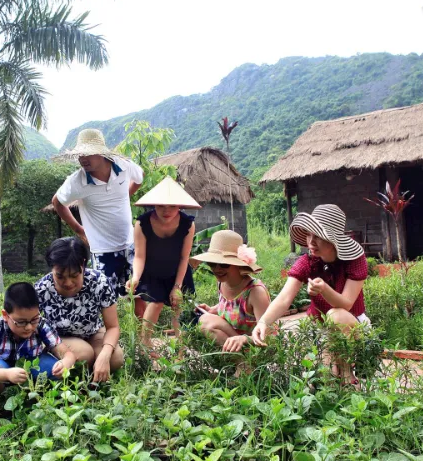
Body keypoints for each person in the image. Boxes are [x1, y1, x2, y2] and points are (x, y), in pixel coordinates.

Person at [252, 204, 369, 383]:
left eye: (318, 237)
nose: (311, 242)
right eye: (309, 234)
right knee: (324, 378)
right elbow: (284, 298)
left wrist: (324, 289)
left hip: (352, 325)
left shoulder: (354, 261)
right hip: (321, 328)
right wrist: (263, 322)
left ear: (333, 240)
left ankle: (348, 375)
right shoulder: (307, 262)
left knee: (335, 315)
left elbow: (346, 304)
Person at [51, 128, 145, 298]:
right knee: (108, 298)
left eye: (88, 154)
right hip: (102, 249)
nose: (83, 159)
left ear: (101, 153)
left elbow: (140, 178)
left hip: (131, 243)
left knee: (139, 293)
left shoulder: (124, 166)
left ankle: (142, 326)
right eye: (80, 155)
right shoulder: (76, 182)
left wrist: (125, 196)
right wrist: (79, 230)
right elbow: (57, 202)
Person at [35, 237, 124, 383]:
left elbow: (113, 327)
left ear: (83, 264)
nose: (68, 282)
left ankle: (95, 374)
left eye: (74, 275)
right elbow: (32, 325)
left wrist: (105, 354)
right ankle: (81, 381)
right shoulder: (42, 288)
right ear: (52, 268)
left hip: (93, 332)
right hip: (59, 338)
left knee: (115, 358)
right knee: (84, 354)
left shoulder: (99, 282)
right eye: (60, 276)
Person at [0, 282, 77, 395]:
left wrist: (66, 362)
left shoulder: (41, 324)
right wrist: (6, 374)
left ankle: (40, 397)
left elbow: (67, 354)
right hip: (1, 365)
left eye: (34, 319)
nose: (29, 327)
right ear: (5, 315)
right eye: (21, 322)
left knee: (55, 370)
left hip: (33, 362)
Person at [126, 176, 199, 347]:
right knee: (155, 302)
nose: (166, 210)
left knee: (179, 306)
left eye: (172, 206)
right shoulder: (142, 223)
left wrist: (177, 287)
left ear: (180, 205)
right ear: (154, 205)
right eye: (161, 206)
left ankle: (182, 348)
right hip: (152, 271)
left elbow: (184, 257)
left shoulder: (188, 224)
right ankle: (144, 345)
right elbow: (139, 256)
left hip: (178, 270)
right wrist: (135, 277)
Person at [191, 230, 271, 352]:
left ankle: (244, 366)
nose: (217, 269)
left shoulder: (255, 292)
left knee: (206, 322)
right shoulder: (222, 282)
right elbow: (233, 306)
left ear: (238, 264)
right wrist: (213, 309)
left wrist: (244, 339)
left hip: (253, 350)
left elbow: (269, 336)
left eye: (224, 265)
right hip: (231, 347)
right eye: (212, 263)